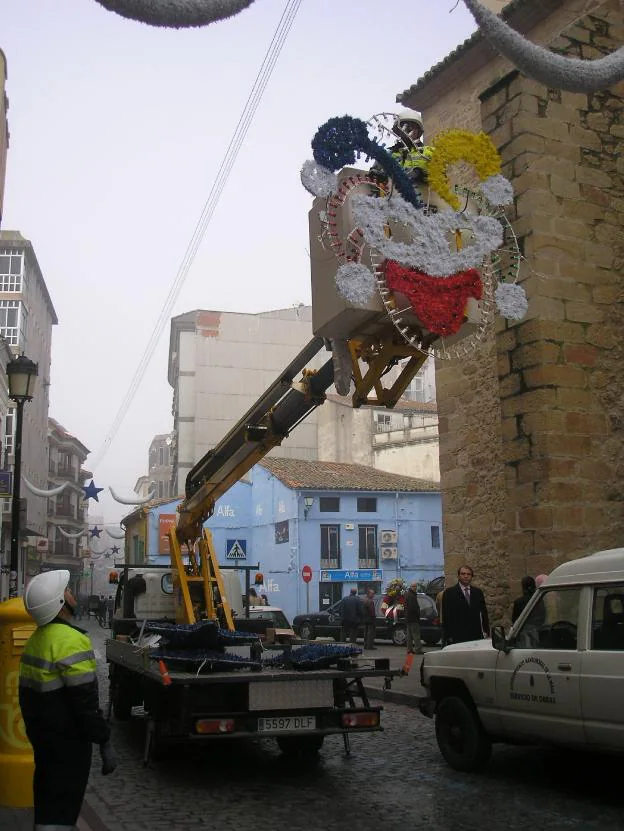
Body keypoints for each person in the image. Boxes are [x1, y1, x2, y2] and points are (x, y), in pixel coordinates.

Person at [19, 570, 117, 830]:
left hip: (43, 738)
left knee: (48, 802)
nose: (73, 595)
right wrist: (104, 739)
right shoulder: (72, 641)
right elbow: (84, 704)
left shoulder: (36, 640)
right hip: (68, 744)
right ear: (59, 603)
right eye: (68, 592)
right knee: (62, 811)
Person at [442, 565, 490, 644]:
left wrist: (486, 631)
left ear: (472, 576)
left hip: (476, 635)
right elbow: (446, 616)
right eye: (463, 574)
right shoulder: (449, 593)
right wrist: (448, 636)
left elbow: (484, 613)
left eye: (468, 574)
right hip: (458, 636)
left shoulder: (478, 592)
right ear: (458, 576)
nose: (466, 576)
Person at [405, 581, 424, 655]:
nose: (415, 588)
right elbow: (413, 608)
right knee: (416, 635)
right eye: (413, 586)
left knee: (409, 635)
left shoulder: (407, 594)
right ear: (410, 587)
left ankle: (409, 650)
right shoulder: (411, 595)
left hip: (408, 618)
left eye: (416, 586)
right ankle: (418, 649)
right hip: (413, 618)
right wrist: (418, 614)